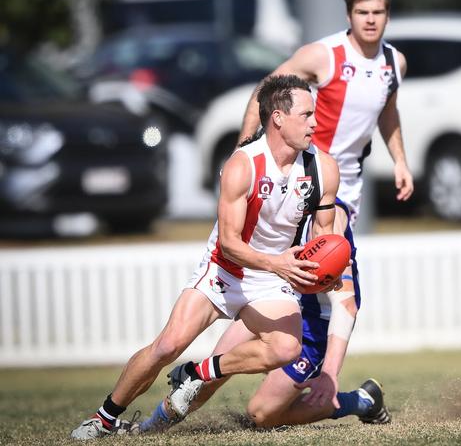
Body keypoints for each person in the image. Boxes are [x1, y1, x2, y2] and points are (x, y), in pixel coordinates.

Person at [136, 0, 411, 432]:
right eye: (362, 12)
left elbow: (388, 111)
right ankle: (155, 425)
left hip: (336, 190)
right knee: (228, 353)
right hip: (294, 182)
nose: (370, 20)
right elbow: (268, 91)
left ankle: (351, 395)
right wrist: (247, 145)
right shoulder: (322, 56)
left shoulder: (394, 64)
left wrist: (400, 160)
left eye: (378, 12)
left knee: (263, 413)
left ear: (387, 14)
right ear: (349, 16)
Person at [70, 74, 343, 440]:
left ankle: (197, 375)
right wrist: (278, 262)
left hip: (272, 280)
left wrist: (326, 269)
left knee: (285, 348)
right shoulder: (242, 165)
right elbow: (229, 244)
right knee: (167, 345)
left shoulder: (323, 169)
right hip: (225, 270)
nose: (315, 122)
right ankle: (103, 418)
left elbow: (324, 233)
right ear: (278, 117)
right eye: (306, 115)